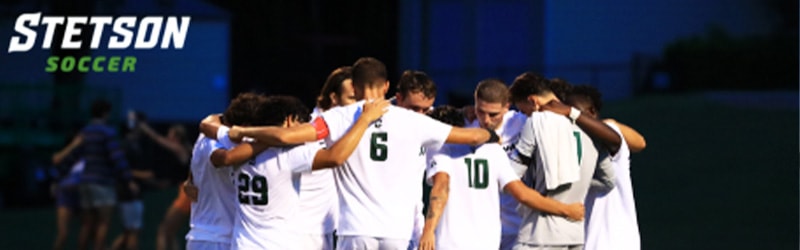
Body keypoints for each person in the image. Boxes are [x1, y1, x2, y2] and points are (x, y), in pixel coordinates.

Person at [220, 57, 499, 249]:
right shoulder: (414, 120)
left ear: (352, 86)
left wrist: (244, 131)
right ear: (387, 87)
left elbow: (284, 136)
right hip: (396, 232)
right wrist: (491, 133)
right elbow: (472, 136)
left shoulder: (339, 117)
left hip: (355, 230)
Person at [418, 106, 584, 250]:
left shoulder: (440, 148)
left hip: (450, 243)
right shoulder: (494, 151)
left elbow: (441, 187)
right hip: (488, 243)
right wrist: (566, 209)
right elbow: (523, 194)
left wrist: (428, 231)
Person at [510, 75, 615, 250]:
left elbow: (511, 177)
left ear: (533, 101)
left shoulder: (537, 121)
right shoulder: (590, 128)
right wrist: (578, 182)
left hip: (539, 235)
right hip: (575, 236)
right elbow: (608, 181)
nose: (525, 116)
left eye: (524, 111)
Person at [564, 85, 645, 250]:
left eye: (577, 114)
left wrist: (574, 114)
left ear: (592, 112)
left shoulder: (609, 137)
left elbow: (638, 142)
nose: (574, 122)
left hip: (616, 242)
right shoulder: (571, 145)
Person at [185, 92, 268, 250]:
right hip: (216, 237)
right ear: (243, 126)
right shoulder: (212, 140)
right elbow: (221, 159)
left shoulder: (208, 132)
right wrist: (269, 142)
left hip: (211, 235)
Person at [59, 99, 137, 250]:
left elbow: (74, 156)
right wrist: (128, 180)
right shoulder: (107, 132)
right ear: (105, 113)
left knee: (87, 224)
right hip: (102, 183)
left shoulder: (85, 132)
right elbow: (117, 158)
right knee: (103, 223)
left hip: (85, 181)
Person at [466, 78, 529, 250]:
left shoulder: (522, 123)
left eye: (493, 114)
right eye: (480, 111)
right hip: (479, 228)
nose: (486, 120)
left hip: (518, 227)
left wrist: (610, 124)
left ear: (507, 106)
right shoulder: (465, 127)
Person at [392, 69, 438, 250]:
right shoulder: (375, 119)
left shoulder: (434, 121)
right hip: (374, 223)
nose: (420, 115)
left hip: (414, 222)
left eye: (425, 109)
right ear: (399, 98)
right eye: (414, 109)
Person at [137, 121, 192, 250]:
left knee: (163, 230)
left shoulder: (180, 149)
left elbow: (159, 140)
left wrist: (145, 129)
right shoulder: (187, 150)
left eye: (170, 135)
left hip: (186, 195)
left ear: (177, 138)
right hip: (187, 192)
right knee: (170, 232)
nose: (168, 137)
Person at [51, 134, 84, 250]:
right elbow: (56, 160)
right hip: (66, 195)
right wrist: (73, 145)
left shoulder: (85, 155)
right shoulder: (66, 154)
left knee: (87, 230)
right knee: (63, 234)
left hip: (82, 194)